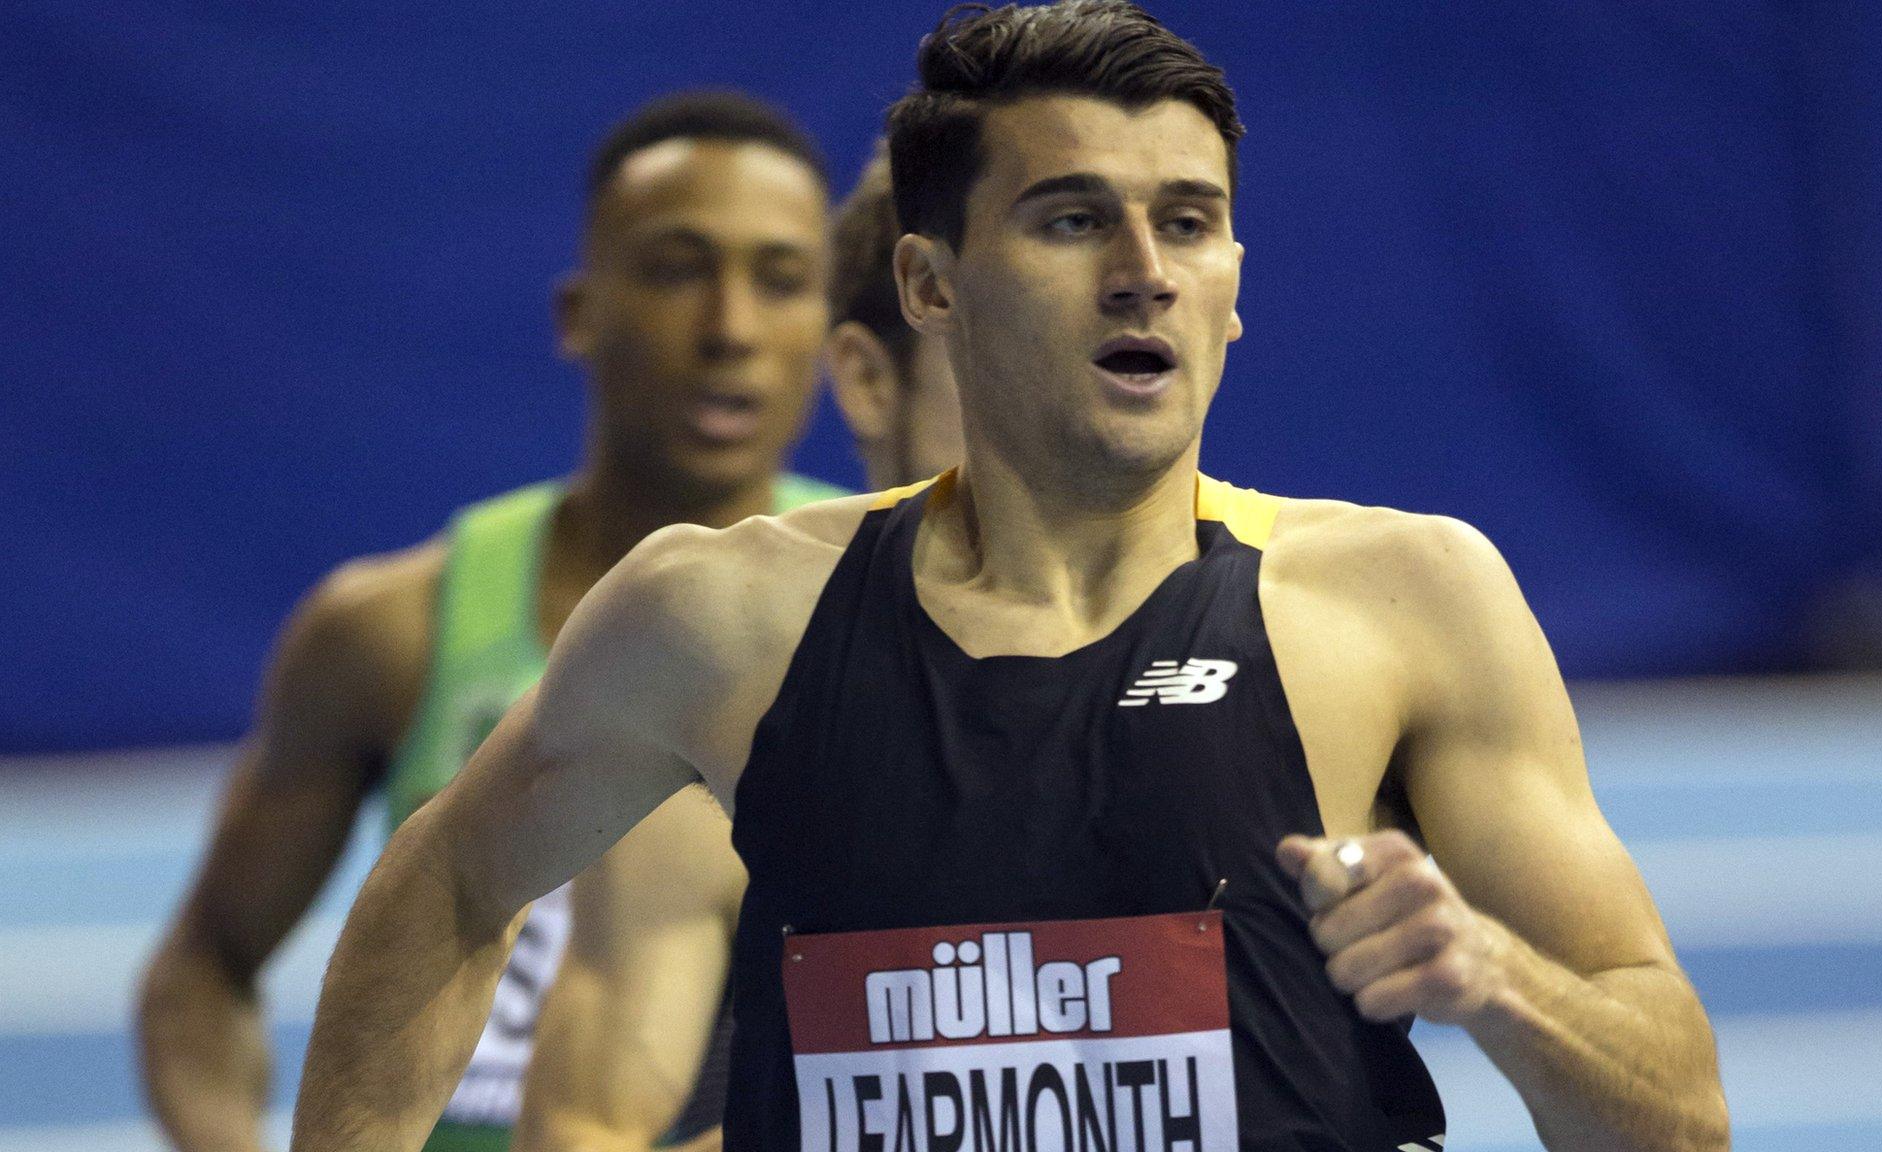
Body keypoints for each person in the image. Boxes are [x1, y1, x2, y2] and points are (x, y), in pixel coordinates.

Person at [288, 4, 1732, 1150]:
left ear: (1235, 282)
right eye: (1070, 219)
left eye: (1187, 220)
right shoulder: (726, 621)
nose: (1143, 272)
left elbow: (1676, 1116)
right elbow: (447, 884)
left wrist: (1493, 976)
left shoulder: (1405, 603)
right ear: (928, 286)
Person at [136, 90, 847, 1152]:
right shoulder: (391, 633)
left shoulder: (880, 615)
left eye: (779, 280)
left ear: (831, 334)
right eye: (673, 268)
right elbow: (206, 966)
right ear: (578, 313)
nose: (729, 329)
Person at [512, 148, 964, 1152]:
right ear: (864, 375)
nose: (1054, 432)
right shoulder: (729, 723)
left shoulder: (1274, 660)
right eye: (1001, 369)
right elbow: (580, 1128)